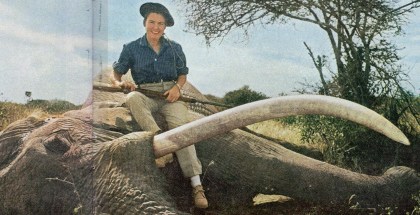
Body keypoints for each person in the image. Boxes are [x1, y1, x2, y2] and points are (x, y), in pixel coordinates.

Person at [110, 2, 208, 209]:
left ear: (165, 27)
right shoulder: (131, 48)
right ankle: (161, 143)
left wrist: (177, 89)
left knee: (184, 131)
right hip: (145, 93)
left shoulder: (175, 48)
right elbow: (116, 72)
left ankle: (197, 185)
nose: (156, 27)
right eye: (152, 22)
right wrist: (120, 83)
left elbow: (183, 73)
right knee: (132, 99)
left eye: (160, 24)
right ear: (145, 23)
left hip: (170, 95)